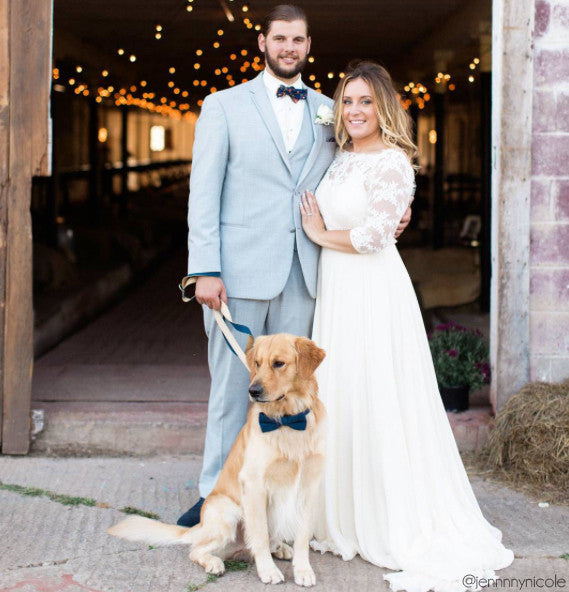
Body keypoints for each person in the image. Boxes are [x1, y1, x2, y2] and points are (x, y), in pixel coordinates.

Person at [179, 5, 414, 527]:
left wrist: (401, 205)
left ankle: (276, 507)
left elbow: (367, 162)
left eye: (299, 40)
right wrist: (204, 269)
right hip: (235, 276)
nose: (289, 48)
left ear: (309, 46)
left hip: (308, 276)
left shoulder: (330, 110)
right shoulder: (222, 106)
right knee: (230, 388)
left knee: (292, 395)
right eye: (279, 38)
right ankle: (214, 498)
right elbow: (203, 193)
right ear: (262, 42)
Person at [300, 60, 514, 592]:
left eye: (366, 102)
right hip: (337, 292)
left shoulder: (393, 162)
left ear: (384, 107)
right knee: (340, 393)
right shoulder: (340, 157)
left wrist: (320, 233)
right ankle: (335, 512)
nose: (354, 111)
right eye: (347, 101)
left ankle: (385, 514)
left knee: (377, 392)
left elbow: (375, 236)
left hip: (372, 290)